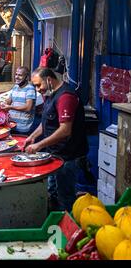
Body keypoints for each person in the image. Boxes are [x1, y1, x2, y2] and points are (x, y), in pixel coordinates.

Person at [24, 68, 89, 211]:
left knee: (65, 196)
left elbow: (65, 130)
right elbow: (46, 122)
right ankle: (54, 223)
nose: (38, 89)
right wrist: (32, 137)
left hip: (68, 156)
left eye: (38, 85)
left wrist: (39, 145)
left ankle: (68, 228)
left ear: (49, 79)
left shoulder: (65, 96)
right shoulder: (51, 94)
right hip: (55, 155)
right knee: (52, 191)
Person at [0, 67, 36, 135]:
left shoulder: (30, 89)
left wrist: (10, 107)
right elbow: (9, 100)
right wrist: (4, 104)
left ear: (26, 77)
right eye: (16, 74)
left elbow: (28, 108)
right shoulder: (15, 87)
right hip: (12, 125)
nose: (17, 77)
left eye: (20, 75)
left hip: (23, 127)